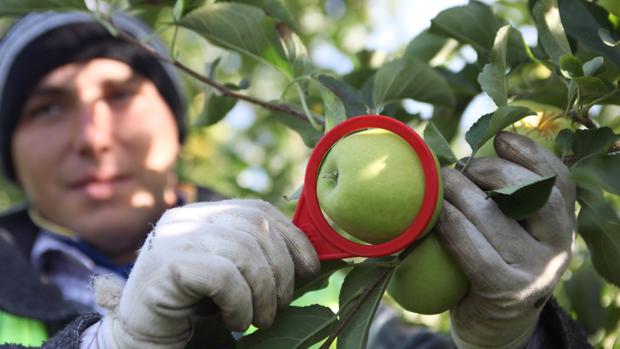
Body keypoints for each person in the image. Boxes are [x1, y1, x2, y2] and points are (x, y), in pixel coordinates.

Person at [0, 9, 590, 349]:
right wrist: (110, 344)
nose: (92, 135)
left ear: (176, 124)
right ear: (10, 151)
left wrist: (514, 340)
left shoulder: (334, 283)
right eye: (47, 108)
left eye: (122, 94)